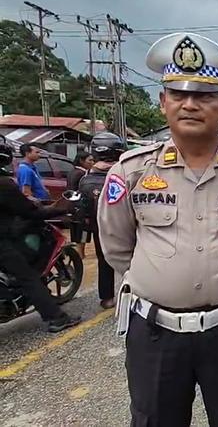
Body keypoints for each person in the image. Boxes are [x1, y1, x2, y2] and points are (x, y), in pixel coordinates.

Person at [97, 32, 218, 426]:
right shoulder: (131, 171)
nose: (190, 104)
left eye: (204, 95)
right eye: (178, 94)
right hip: (154, 332)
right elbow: (116, 246)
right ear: (162, 101)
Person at [0, 139, 82, 332]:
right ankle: (57, 319)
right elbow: (29, 212)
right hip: (3, 242)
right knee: (28, 278)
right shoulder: (4, 184)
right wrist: (58, 210)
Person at [78, 133, 126, 309]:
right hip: (128, 226)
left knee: (103, 259)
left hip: (99, 227)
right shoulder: (126, 172)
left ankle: (107, 298)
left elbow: (80, 208)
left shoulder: (85, 178)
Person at [68, 151, 95, 258]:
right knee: (83, 231)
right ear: (81, 161)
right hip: (80, 206)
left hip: (72, 205)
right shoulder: (82, 174)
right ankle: (80, 254)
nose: (92, 162)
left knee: (77, 230)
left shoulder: (72, 172)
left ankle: (80, 252)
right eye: (90, 160)